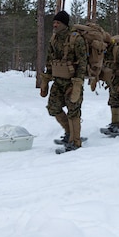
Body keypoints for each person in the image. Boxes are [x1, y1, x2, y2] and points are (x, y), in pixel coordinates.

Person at [40, 10, 87, 151]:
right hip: (58, 81)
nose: (55, 25)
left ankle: (75, 141)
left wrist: (77, 83)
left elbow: (82, 62)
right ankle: (69, 133)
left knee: (74, 110)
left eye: (58, 22)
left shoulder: (76, 39)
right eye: (54, 22)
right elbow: (50, 60)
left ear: (64, 24)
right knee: (53, 108)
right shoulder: (54, 39)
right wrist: (45, 80)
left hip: (72, 81)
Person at [100, 33, 119, 135]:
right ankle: (118, 124)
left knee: (115, 100)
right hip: (111, 80)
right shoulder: (104, 52)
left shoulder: (117, 51)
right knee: (115, 100)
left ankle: (117, 124)